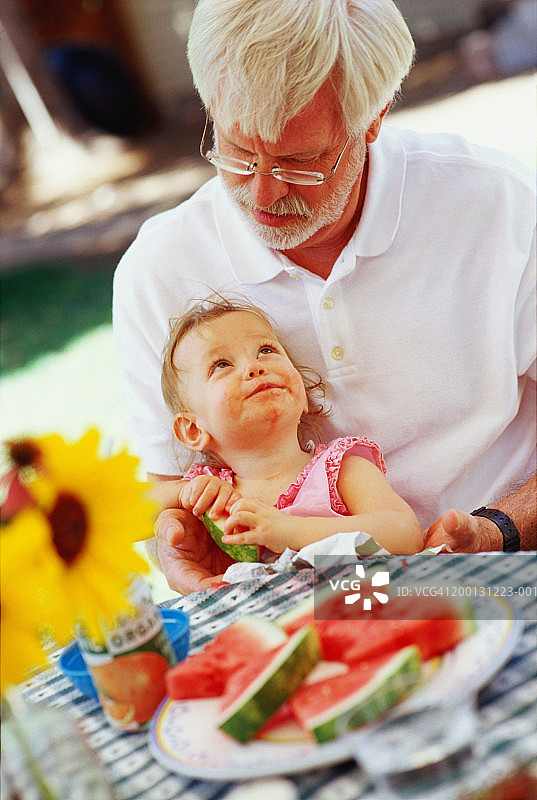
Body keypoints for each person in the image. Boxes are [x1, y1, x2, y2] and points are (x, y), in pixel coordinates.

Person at [113, 0, 536, 593]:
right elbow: (166, 490)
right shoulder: (157, 270)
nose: (262, 190)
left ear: (375, 119)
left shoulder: (495, 202)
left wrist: (499, 531)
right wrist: (177, 542)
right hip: (306, 608)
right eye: (236, 152)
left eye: (300, 161)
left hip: (506, 568)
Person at [158, 296, 423, 564]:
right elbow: (122, 513)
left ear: (304, 396)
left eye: (265, 350)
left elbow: (405, 532)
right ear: (193, 430)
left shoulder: (338, 469)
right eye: (222, 365)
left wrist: (292, 531)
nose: (254, 367)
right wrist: (182, 493)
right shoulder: (211, 493)